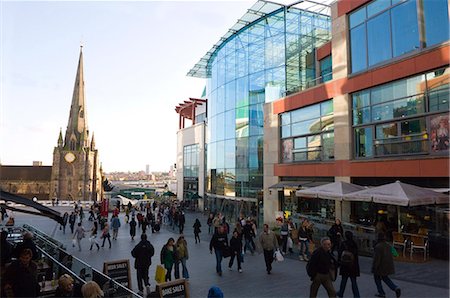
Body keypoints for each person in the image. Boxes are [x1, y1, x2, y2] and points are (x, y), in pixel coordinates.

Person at [372, 233, 401, 298]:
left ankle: (381, 292)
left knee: (377, 278)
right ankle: (395, 288)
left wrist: (374, 267)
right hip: (387, 265)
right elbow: (395, 254)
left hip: (380, 266)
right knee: (385, 278)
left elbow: (377, 259)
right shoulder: (388, 245)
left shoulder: (378, 247)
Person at [336, 231, 360, 298]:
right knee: (353, 281)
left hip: (345, 265)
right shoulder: (354, 244)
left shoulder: (344, 244)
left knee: (344, 280)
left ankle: (341, 293)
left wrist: (338, 264)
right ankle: (356, 295)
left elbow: (340, 254)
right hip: (353, 265)